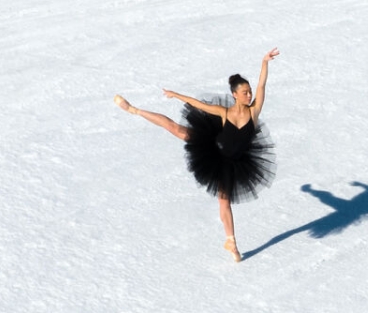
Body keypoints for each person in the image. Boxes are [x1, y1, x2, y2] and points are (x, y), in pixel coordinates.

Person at [115, 48, 279, 261]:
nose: (249, 95)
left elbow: (262, 85)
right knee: (175, 128)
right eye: (245, 92)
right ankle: (134, 110)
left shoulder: (254, 111)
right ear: (235, 95)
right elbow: (199, 104)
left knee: (224, 202)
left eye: (249, 91)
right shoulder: (225, 112)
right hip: (212, 148)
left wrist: (264, 62)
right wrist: (176, 95)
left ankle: (231, 242)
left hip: (233, 163)